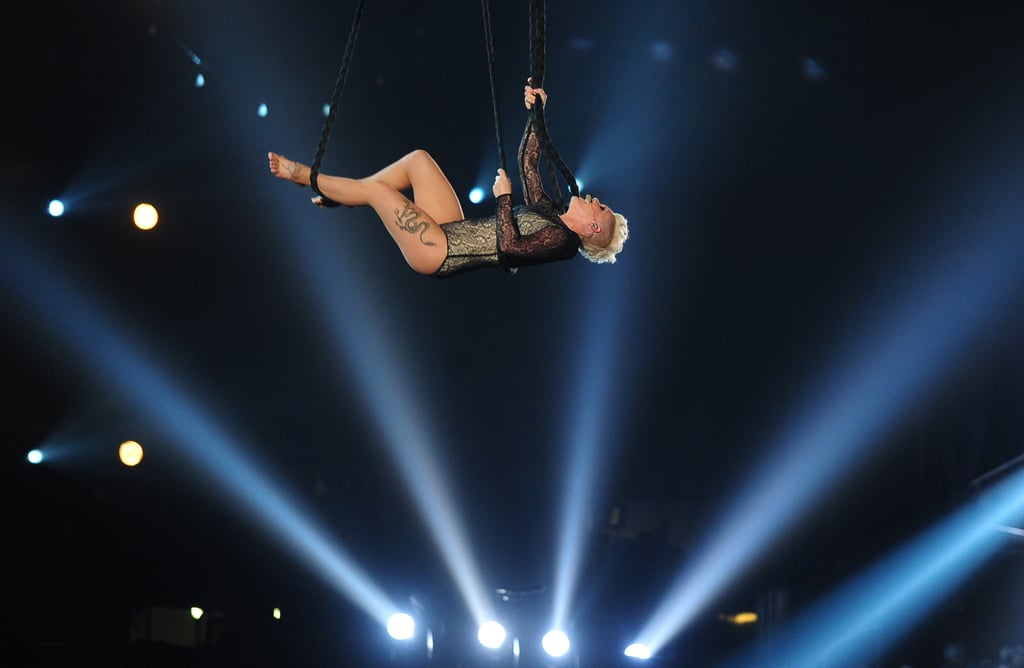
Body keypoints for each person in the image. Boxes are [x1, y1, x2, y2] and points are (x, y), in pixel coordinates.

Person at [268, 81, 629, 278]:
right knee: (418, 160)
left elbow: (510, 250)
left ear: (593, 229)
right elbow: (529, 163)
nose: (595, 199)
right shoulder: (552, 213)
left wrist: (504, 198)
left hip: (439, 252)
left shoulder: (563, 242)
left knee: (377, 190)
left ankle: (305, 176)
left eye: (600, 207)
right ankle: (344, 195)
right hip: (450, 228)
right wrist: (537, 114)